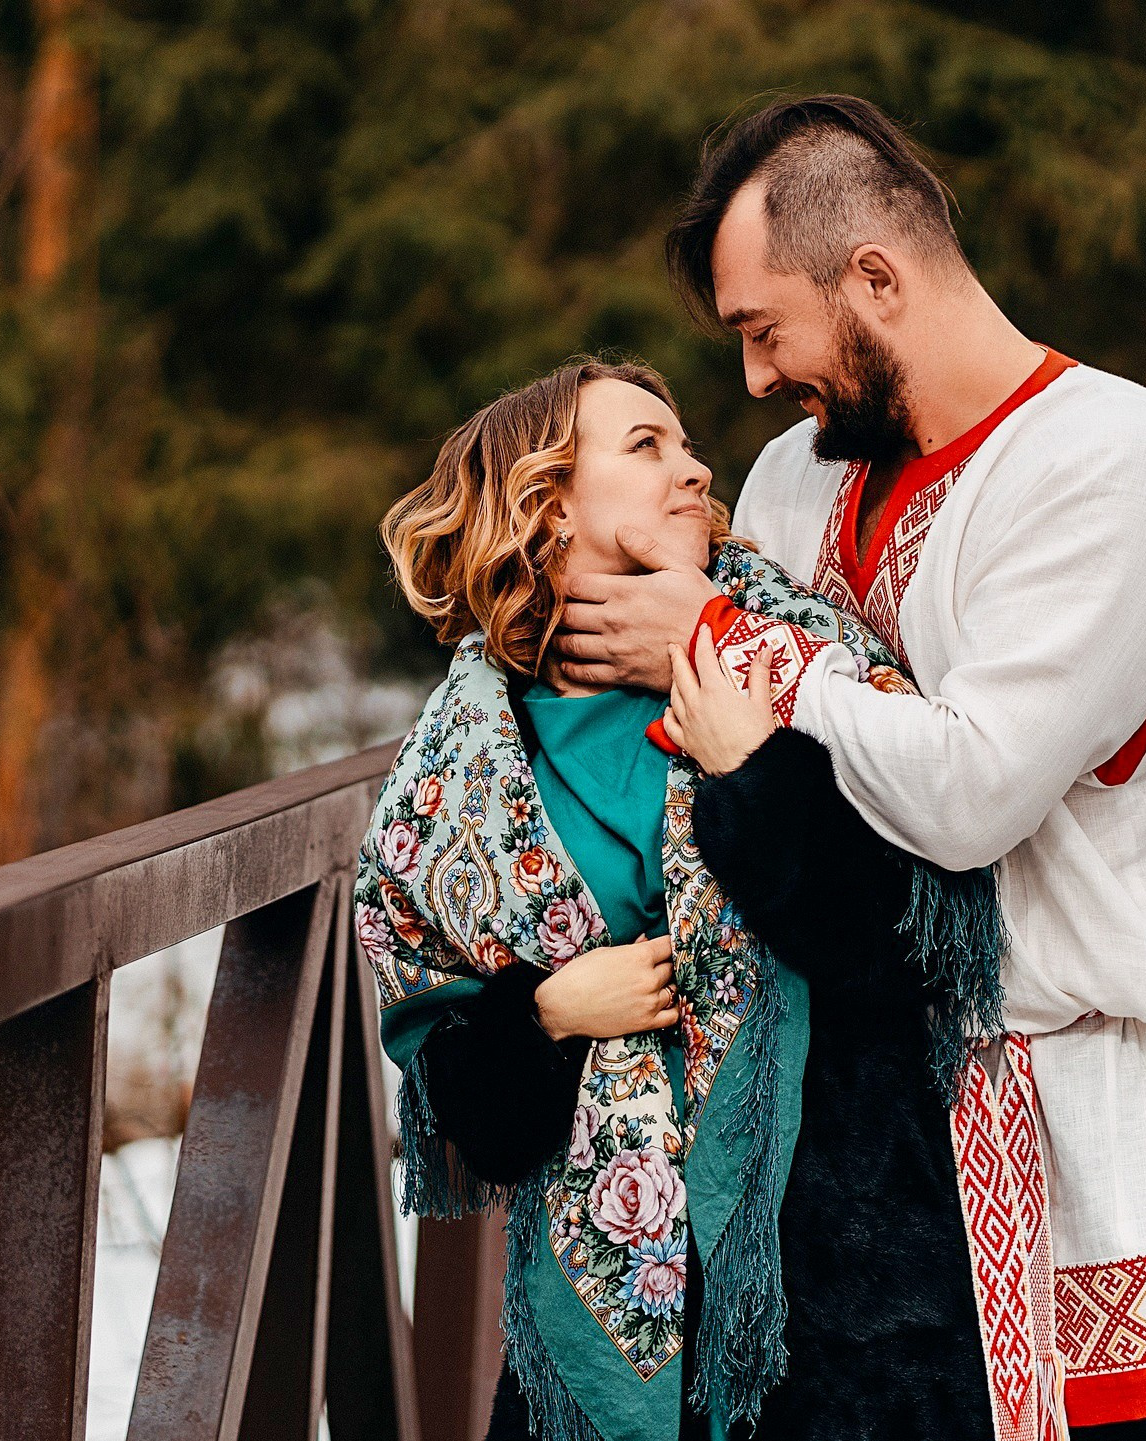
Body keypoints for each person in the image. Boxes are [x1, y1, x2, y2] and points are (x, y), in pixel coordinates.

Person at [554, 97, 1146, 1441]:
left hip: (1077, 1138)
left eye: (764, 328)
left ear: (875, 279)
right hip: (842, 1156)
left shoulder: (1115, 462)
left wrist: (717, 641)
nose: (754, 379)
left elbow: (967, 791)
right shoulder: (795, 478)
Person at [355, 357, 1027, 1441]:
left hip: (838, 1296)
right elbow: (474, 1119)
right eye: (645, 446)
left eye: (684, 443)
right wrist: (547, 1012)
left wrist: (756, 768)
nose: (697, 468)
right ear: (548, 505)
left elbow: (898, 948)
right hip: (597, 1323)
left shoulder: (797, 660)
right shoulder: (463, 764)